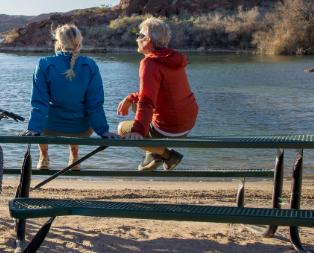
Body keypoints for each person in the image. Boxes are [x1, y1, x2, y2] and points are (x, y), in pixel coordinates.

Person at [19, 24, 117, 170]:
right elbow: (95, 104)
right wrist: (103, 130)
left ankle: (44, 156)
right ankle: (74, 155)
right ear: (79, 43)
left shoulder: (44, 64)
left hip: (49, 128)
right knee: (79, 109)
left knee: (43, 116)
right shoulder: (90, 65)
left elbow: (40, 103)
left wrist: (34, 128)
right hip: (82, 130)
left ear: (58, 43)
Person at [117, 17, 198, 171]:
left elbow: (147, 100)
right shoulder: (172, 59)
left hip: (169, 129)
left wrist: (137, 131)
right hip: (188, 124)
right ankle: (153, 155)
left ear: (148, 40)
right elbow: (158, 92)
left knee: (122, 128)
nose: (137, 39)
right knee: (136, 103)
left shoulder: (149, 63)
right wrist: (131, 97)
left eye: (139, 36)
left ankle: (168, 155)